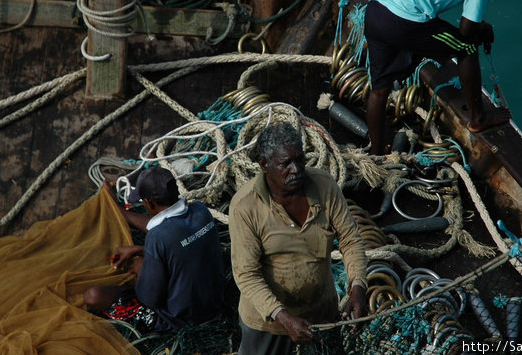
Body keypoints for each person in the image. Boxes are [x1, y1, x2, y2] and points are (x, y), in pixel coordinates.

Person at [364, 0, 517, 155]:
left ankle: (376, 151)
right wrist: (482, 29)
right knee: (466, 47)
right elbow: (466, 32)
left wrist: (480, 26)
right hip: (403, 22)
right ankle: (478, 118)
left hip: (376, 10)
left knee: (379, 90)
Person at [229, 122, 368, 354]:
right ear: (264, 165)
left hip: (321, 312)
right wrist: (283, 317)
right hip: (268, 323)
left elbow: (350, 239)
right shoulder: (245, 207)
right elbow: (246, 274)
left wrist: (358, 286)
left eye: (300, 160)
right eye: (285, 164)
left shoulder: (325, 186)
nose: (296, 169)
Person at [83, 166, 225, 333]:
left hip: (181, 320)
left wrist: (139, 269)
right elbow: (173, 237)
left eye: (143, 201)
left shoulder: (158, 238)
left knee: (93, 296)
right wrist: (121, 214)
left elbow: (149, 298)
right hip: (214, 303)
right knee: (142, 263)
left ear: (149, 203)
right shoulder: (200, 211)